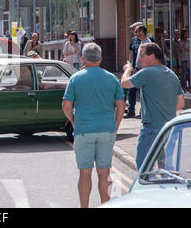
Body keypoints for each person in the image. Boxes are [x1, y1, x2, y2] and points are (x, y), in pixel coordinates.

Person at [62, 42, 125, 208]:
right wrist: (116, 125)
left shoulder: (76, 78)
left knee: (85, 172)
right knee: (104, 173)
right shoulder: (112, 78)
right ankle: (106, 205)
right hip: (106, 129)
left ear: (83, 59)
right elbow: (121, 106)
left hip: (84, 130)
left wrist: (74, 121)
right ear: (101, 58)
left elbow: (66, 106)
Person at [121, 42, 185, 170]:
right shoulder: (172, 75)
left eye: (141, 55)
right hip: (168, 129)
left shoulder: (147, 73)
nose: (138, 59)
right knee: (167, 170)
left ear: (152, 56)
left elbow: (124, 83)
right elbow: (181, 103)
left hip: (150, 129)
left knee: (143, 170)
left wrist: (128, 69)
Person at [125, 22, 142, 118]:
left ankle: (142, 112)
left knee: (141, 90)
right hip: (134, 67)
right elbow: (131, 52)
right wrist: (129, 63)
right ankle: (131, 110)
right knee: (131, 89)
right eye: (133, 31)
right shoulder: (134, 40)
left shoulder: (147, 40)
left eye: (135, 30)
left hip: (142, 68)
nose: (133, 32)